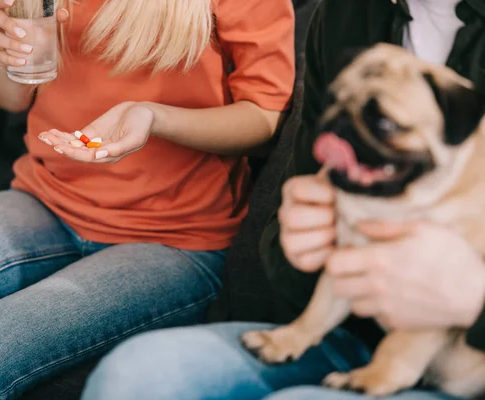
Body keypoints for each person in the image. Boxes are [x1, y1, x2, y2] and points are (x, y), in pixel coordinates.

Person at [0, 0, 295, 398]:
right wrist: (0, 52)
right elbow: (10, 98)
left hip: (175, 238)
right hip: (46, 197)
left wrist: (154, 117)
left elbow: (264, 116)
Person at [81, 0, 485, 399]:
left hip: (467, 363)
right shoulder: (349, 12)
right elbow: (293, 233)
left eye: (384, 121)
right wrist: (301, 242)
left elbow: (260, 111)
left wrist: (472, 299)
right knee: (135, 374)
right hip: (352, 335)